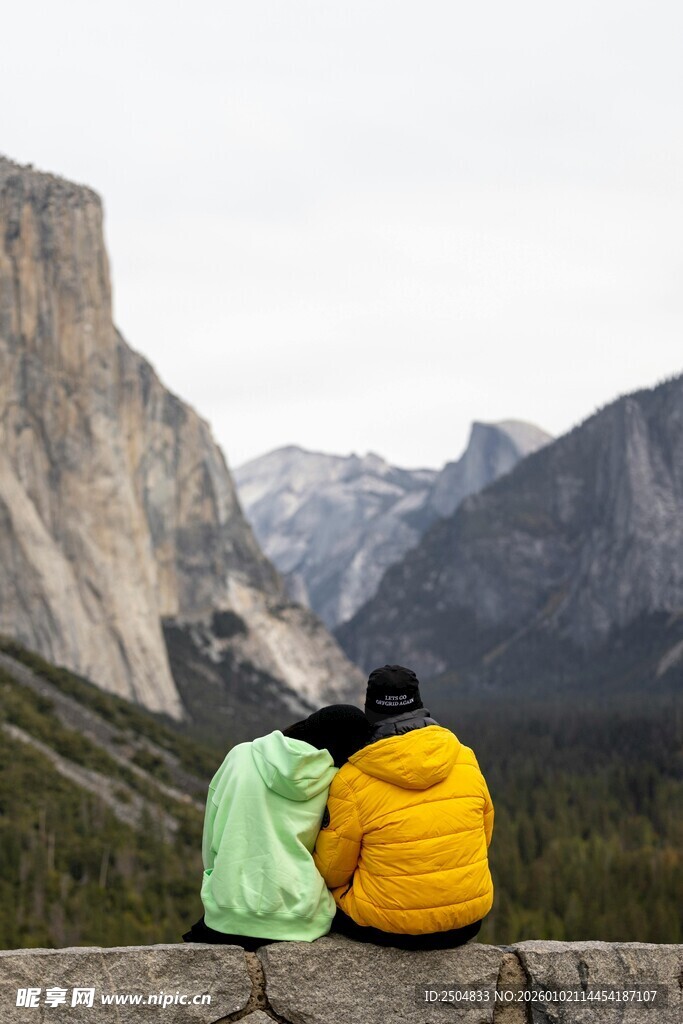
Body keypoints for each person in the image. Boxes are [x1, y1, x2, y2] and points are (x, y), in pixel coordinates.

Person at [313, 665, 494, 949]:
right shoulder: (464, 758)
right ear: (420, 706)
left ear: (369, 711)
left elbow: (332, 870)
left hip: (387, 928)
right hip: (465, 921)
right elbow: (483, 836)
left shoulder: (351, 779)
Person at [183, 704, 370, 950]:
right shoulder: (336, 782)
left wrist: (219, 882)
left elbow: (212, 838)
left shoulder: (240, 756)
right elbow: (329, 857)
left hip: (227, 915)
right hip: (303, 920)